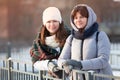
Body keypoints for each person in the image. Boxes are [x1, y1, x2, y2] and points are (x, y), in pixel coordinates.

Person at [58, 4, 113, 80]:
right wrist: (65, 65)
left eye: (82, 17)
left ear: (89, 18)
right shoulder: (71, 38)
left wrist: (81, 64)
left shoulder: (100, 36)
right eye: (76, 18)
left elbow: (103, 60)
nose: (78, 20)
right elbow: (61, 59)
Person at [30, 7, 70, 78]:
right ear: (44, 24)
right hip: (49, 77)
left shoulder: (69, 37)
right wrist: (47, 64)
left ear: (59, 22)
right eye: (48, 22)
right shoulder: (39, 41)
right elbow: (35, 62)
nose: (52, 25)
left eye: (54, 21)